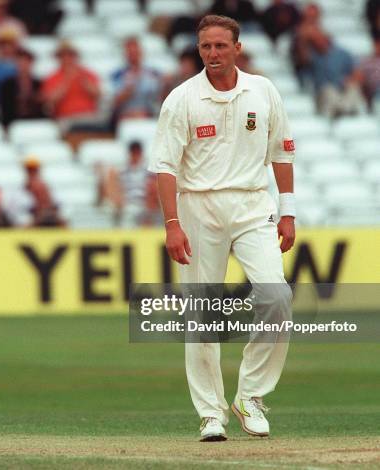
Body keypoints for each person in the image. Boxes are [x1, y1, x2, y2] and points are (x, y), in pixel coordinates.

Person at [149, 15, 296, 442]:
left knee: (276, 295)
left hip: (253, 203)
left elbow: (281, 153)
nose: (212, 54)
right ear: (199, 50)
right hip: (199, 206)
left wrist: (287, 211)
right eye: (205, 47)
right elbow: (165, 167)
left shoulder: (263, 90)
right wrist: (172, 223)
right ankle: (211, 413)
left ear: (237, 48)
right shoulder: (182, 98)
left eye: (220, 46)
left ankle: (250, 396)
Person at [41, 40, 102, 130]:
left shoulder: (87, 74)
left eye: (70, 55)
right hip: (65, 118)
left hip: (87, 116)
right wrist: (66, 80)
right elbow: (51, 100)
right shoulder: (52, 77)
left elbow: (98, 94)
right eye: (63, 56)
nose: (67, 59)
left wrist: (83, 80)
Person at [305, 29, 365, 117]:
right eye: (315, 41)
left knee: (353, 88)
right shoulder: (311, 57)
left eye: (321, 40)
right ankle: (344, 109)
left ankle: (343, 109)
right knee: (329, 91)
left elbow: (358, 73)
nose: (319, 43)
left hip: (343, 90)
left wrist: (349, 80)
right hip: (323, 93)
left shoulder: (343, 54)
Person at [111, 37, 161, 123]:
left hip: (147, 114)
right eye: (130, 53)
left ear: (141, 52)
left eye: (136, 52)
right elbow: (114, 102)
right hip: (125, 115)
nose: (133, 56)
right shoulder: (117, 75)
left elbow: (158, 97)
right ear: (125, 54)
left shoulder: (153, 73)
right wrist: (128, 89)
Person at [101, 141, 150, 226]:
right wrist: (119, 200)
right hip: (125, 203)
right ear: (130, 153)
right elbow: (112, 188)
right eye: (133, 152)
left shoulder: (149, 170)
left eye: (137, 152)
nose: (135, 155)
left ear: (141, 153)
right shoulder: (121, 170)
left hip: (145, 203)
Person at [0, 46, 44, 126]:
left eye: (26, 62)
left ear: (31, 63)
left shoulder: (38, 84)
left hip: (36, 122)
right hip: (14, 122)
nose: (23, 66)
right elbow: (5, 109)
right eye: (20, 62)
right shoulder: (7, 85)